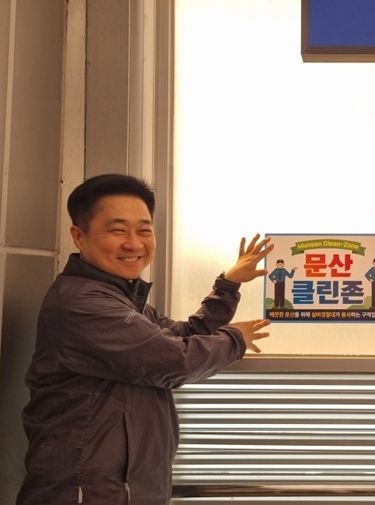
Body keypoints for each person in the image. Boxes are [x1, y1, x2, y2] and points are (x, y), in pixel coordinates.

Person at [16, 174, 273, 505]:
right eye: (118, 230)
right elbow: (174, 360)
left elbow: (181, 336)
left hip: (122, 488)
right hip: (86, 492)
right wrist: (235, 338)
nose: (134, 244)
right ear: (79, 236)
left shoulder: (120, 297)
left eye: (144, 230)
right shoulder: (83, 303)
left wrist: (228, 285)